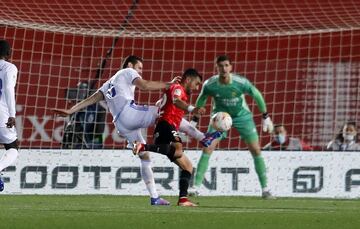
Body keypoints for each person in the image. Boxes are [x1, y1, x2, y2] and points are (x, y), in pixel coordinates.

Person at [53, 55, 182, 205]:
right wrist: (169, 85)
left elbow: (92, 98)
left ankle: (154, 197)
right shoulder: (128, 71)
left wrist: (71, 110)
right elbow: (145, 86)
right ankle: (192, 131)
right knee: (164, 112)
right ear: (130, 65)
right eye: (139, 68)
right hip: (129, 113)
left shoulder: (109, 82)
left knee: (144, 156)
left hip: (121, 124)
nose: (140, 72)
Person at [190, 55, 275, 199]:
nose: (224, 68)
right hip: (220, 118)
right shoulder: (210, 84)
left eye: (226, 65)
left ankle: (265, 189)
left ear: (231, 67)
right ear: (217, 68)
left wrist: (265, 116)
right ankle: (195, 187)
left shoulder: (240, 83)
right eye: (220, 66)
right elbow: (202, 98)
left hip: (242, 117)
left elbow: (256, 94)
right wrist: (194, 120)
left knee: (255, 149)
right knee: (208, 146)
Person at [133, 68, 205, 207]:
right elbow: (176, 100)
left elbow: (163, 103)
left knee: (188, 166)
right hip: (166, 124)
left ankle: (183, 199)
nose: (196, 88)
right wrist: (192, 109)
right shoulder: (178, 87)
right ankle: (142, 146)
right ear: (188, 80)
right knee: (178, 150)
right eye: (196, 84)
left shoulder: (174, 87)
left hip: (164, 129)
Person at [62, 81, 106, 149]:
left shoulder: (99, 109)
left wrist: (87, 138)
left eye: (84, 90)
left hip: (92, 142)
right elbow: (69, 127)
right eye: (80, 90)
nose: (82, 92)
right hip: (77, 143)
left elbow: (99, 131)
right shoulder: (74, 108)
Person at [0, 40, 19, 192]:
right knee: (12, 146)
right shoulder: (9, 67)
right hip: (2, 114)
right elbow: (8, 89)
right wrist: (12, 114)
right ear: (8, 54)